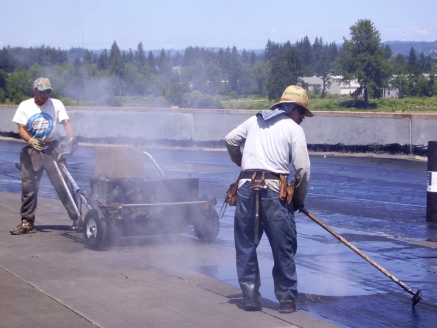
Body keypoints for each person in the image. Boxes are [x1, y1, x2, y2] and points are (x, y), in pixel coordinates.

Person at [225, 85, 313, 313]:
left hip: (246, 189)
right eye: (302, 112)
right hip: (274, 191)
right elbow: (302, 170)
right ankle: (286, 299)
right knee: (283, 247)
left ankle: (250, 297)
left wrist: (243, 164)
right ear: (292, 109)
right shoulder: (293, 129)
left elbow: (230, 140)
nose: (303, 117)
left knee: (245, 246)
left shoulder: (255, 121)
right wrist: (298, 201)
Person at [10, 77, 78, 235]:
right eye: (42, 92)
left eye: (48, 92)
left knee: (64, 185)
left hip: (53, 148)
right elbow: (21, 128)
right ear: (35, 91)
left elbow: (66, 123)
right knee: (29, 188)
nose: (46, 95)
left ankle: (78, 218)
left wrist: (72, 138)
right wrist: (31, 140)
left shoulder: (56, 104)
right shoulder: (25, 106)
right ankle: (27, 223)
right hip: (33, 150)